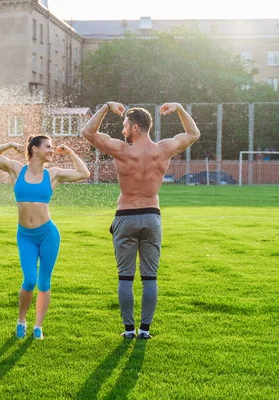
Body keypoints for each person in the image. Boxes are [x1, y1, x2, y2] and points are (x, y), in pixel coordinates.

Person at [81, 102, 200, 339]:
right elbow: (193, 134)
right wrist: (178, 109)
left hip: (126, 216)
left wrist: (105, 107)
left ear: (135, 127)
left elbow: (87, 132)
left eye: (125, 124)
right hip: (151, 217)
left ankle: (128, 331)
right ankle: (144, 331)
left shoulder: (122, 151)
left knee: (125, 277)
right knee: (149, 278)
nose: (122, 129)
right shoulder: (163, 149)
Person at [0, 135, 91, 340]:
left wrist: (69, 152)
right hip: (25, 236)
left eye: (52, 147)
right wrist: (8, 145)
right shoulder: (17, 169)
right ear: (34, 149)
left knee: (44, 282)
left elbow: (84, 173)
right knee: (30, 280)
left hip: (48, 234)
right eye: (47, 147)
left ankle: (38, 326)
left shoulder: (53, 174)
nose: (51, 150)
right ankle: (21, 321)